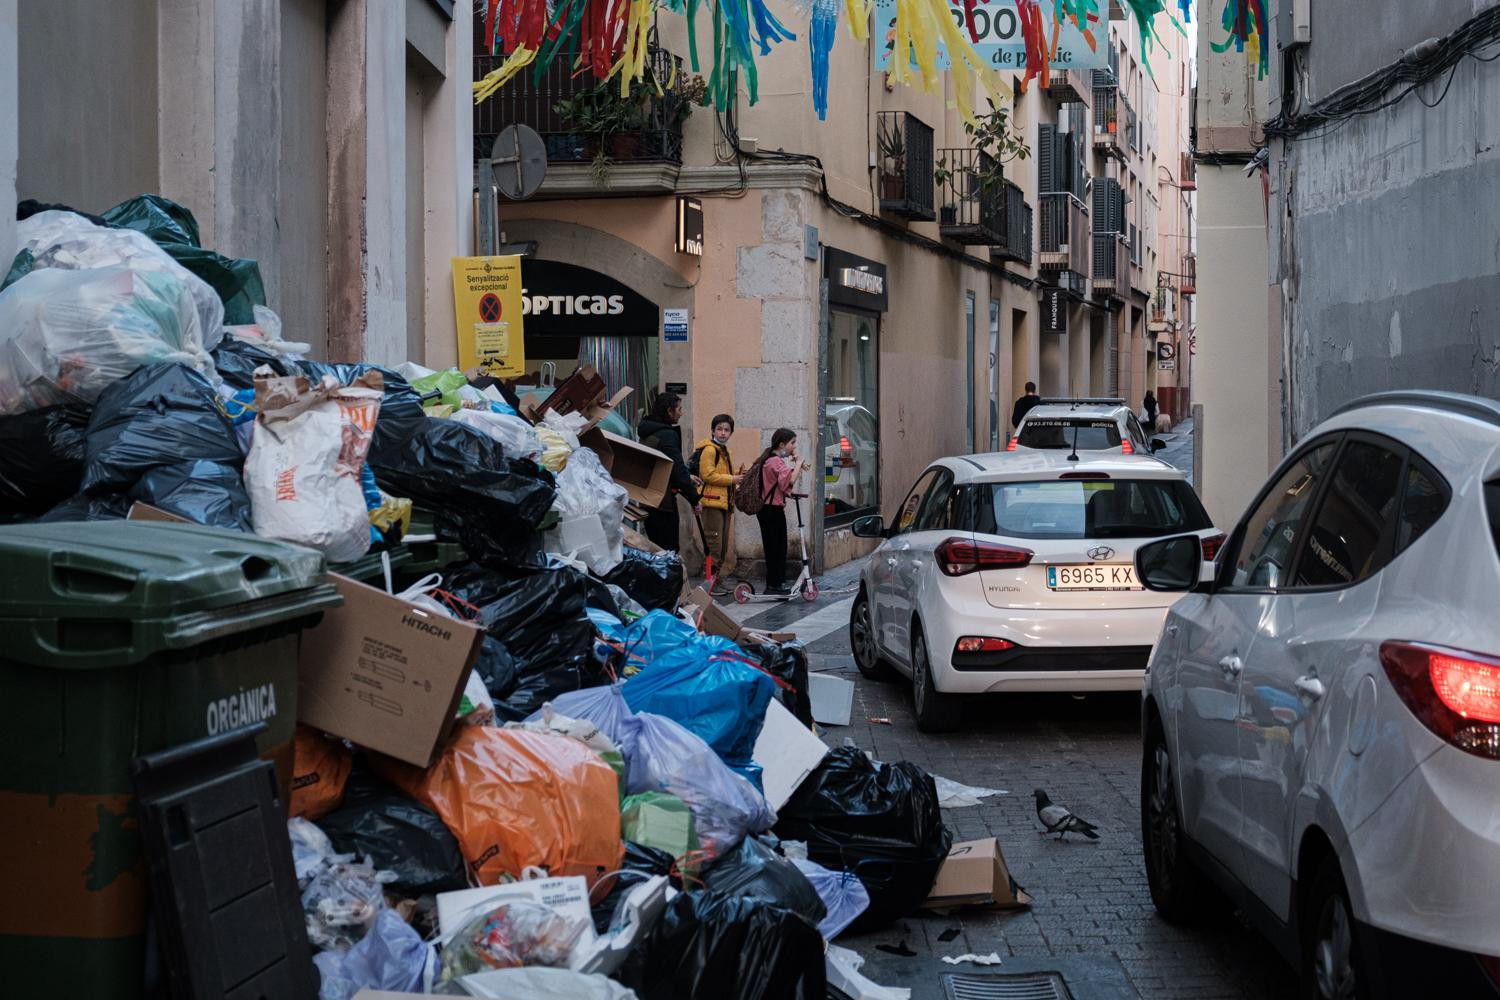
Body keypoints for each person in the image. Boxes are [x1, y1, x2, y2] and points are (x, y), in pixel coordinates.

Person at [636, 392, 700, 553]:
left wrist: (687, 476)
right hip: (662, 504)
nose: (681, 413)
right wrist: (694, 499)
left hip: (648, 500)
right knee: (668, 552)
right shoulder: (667, 435)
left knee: (657, 551)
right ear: (669, 411)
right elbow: (676, 470)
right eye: (678, 409)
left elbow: (664, 467)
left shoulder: (649, 431)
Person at [755, 428, 808, 595]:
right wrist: (798, 463)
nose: (794, 446)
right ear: (782, 445)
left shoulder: (771, 459)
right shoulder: (775, 461)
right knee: (777, 548)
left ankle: (776, 583)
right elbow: (789, 480)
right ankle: (774, 585)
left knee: (775, 547)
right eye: (792, 443)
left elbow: (781, 485)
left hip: (769, 509)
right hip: (771, 510)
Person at [695, 413, 742, 595]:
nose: (723, 433)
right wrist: (733, 478)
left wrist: (736, 475)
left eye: (727, 430)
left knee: (722, 546)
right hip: (712, 502)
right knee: (714, 544)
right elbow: (708, 475)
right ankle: (710, 584)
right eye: (720, 429)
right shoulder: (710, 450)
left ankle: (717, 581)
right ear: (713, 430)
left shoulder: (724, 450)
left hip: (724, 503)